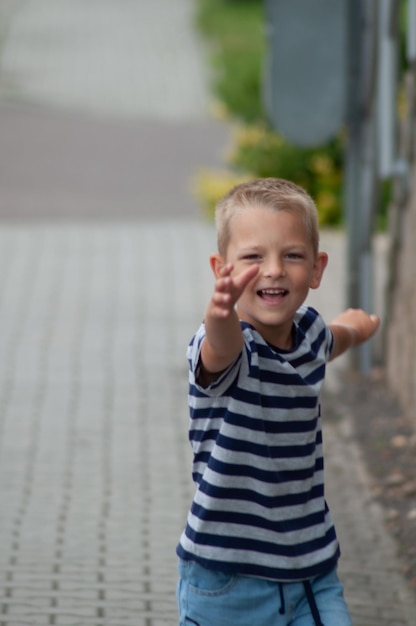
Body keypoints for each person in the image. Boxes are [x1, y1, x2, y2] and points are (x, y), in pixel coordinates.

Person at [176, 177, 380, 626]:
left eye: (292, 255)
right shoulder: (227, 345)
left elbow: (332, 340)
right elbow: (222, 347)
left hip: (311, 569)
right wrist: (219, 313)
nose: (273, 270)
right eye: (252, 257)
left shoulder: (308, 331)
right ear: (221, 269)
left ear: (317, 268)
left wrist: (357, 328)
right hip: (228, 579)